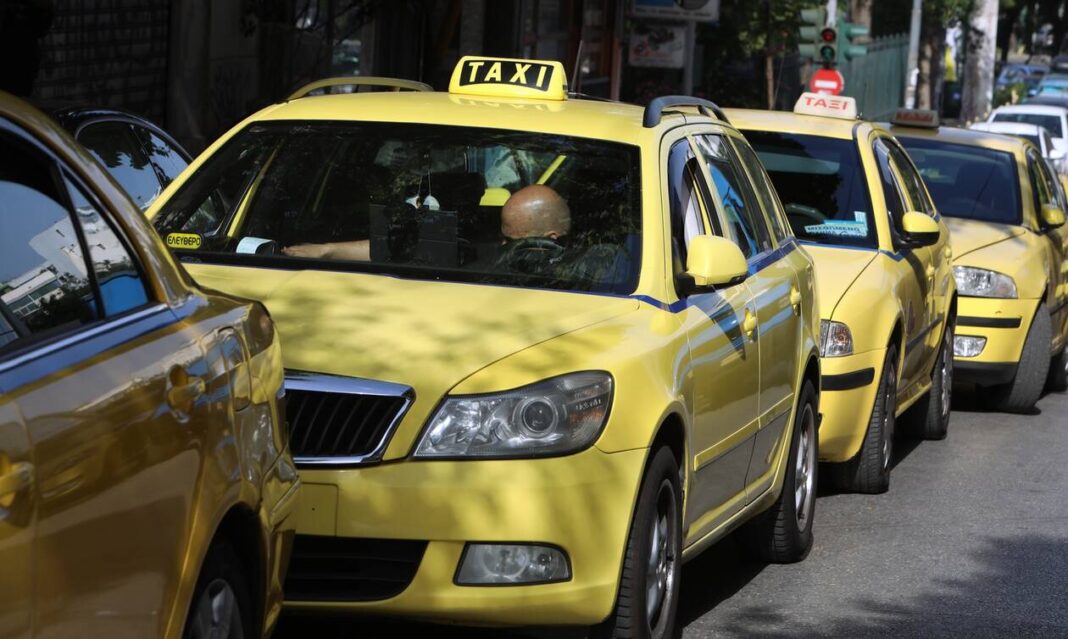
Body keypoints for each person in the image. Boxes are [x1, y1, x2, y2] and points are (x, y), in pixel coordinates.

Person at [283, 184, 570, 261]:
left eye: (513, 242)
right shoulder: (490, 255)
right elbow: (396, 249)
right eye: (503, 237)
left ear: (551, 240)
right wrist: (327, 250)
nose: (502, 245)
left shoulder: (583, 277)